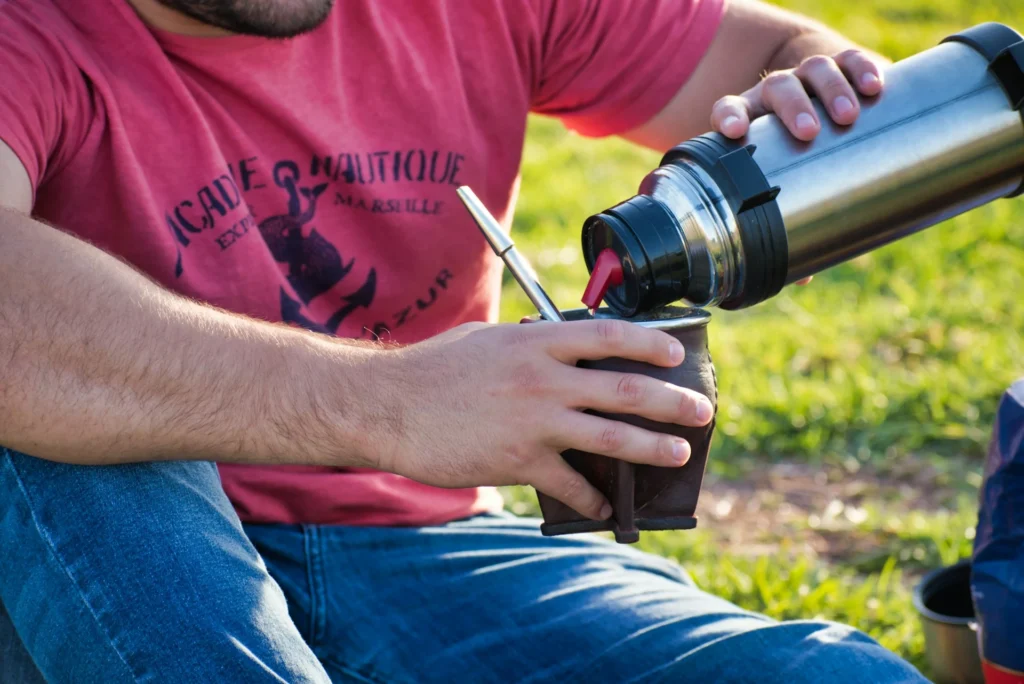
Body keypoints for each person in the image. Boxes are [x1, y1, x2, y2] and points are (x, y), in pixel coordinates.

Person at [0, 0, 925, 681]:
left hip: (422, 545)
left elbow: (764, 50)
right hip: (112, 534)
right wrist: (389, 403)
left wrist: (814, 91)